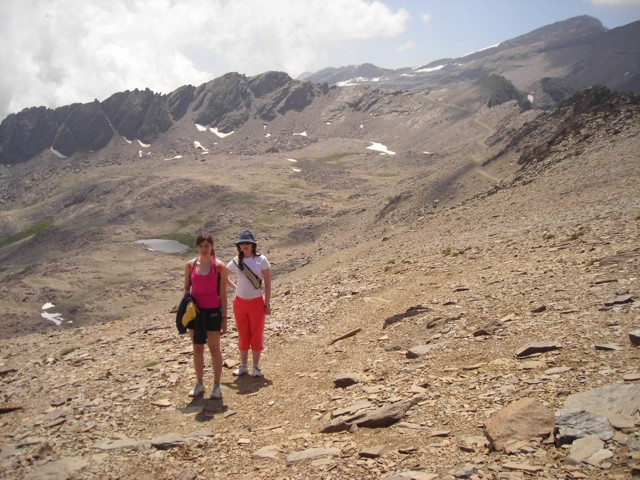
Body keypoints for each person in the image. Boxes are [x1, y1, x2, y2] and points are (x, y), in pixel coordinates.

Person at [184, 233, 230, 399]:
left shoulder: (219, 267)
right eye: (201, 246)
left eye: (207, 246)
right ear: (197, 247)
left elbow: (223, 294)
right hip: (195, 314)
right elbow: (186, 288)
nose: (204, 249)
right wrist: (188, 303)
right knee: (197, 348)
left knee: (214, 348)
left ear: (212, 247)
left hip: (213, 312)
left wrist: (224, 319)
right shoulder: (190, 265)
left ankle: (217, 385)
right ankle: (199, 383)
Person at [227, 229, 271, 377]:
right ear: (239, 246)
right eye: (242, 243)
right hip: (239, 303)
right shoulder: (236, 261)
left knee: (256, 334)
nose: (244, 245)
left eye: (247, 243)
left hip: (257, 302)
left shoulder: (262, 260)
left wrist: (267, 304)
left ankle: (256, 367)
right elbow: (223, 275)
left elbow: (268, 284)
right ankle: (243, 366)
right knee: (242, 334)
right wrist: (236, 287)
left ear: (253, 245)